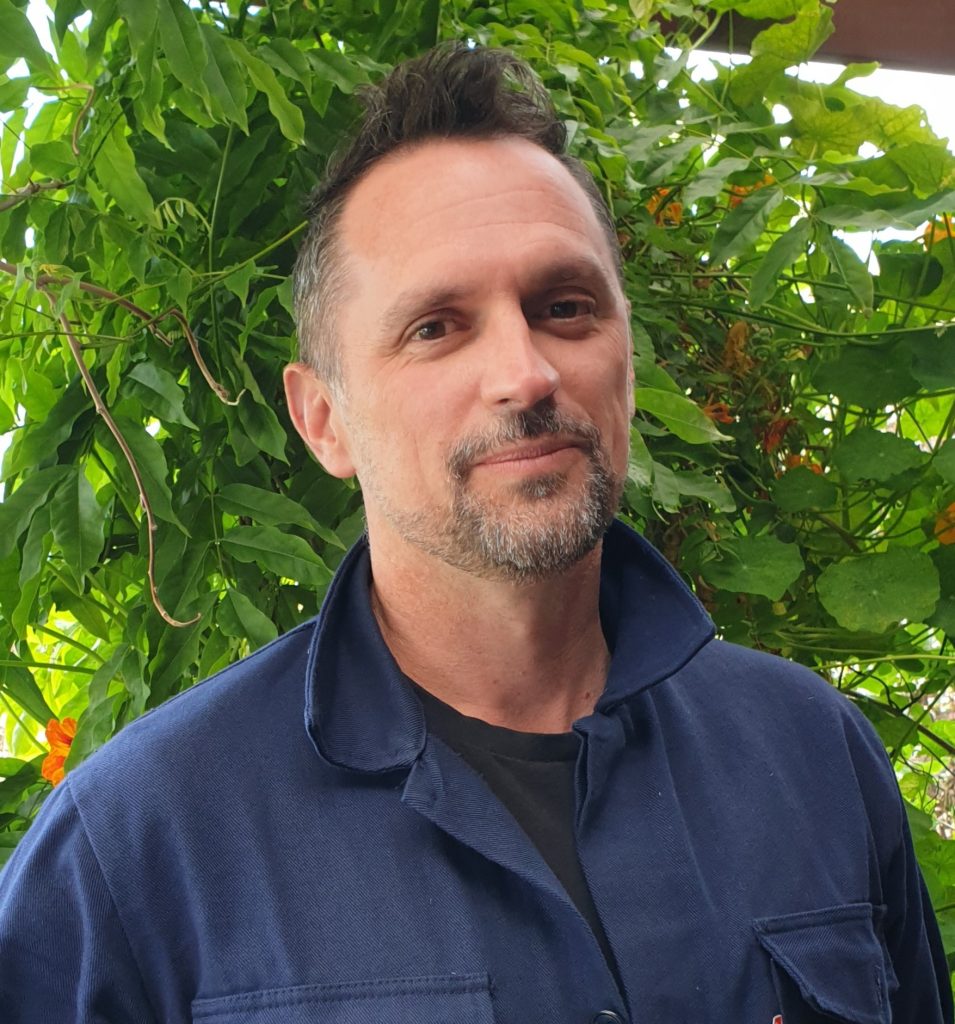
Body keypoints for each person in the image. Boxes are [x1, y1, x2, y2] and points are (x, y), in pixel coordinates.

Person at [0, 43, 951, 1023]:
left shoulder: (812, 756)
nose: (526, 371)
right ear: (321, 418)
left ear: (627, 355)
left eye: (564, 307)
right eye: (435, 327)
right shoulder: (135, 849)